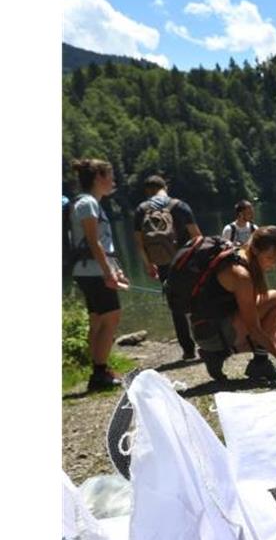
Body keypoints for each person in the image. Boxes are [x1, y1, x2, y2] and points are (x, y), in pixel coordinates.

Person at [192, 225, 276, 382]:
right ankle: (260, 364)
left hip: (210, 327)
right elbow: (254, 329)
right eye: (270, 258)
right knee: (275, 298)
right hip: (209, 332)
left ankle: (217, 355)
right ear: (256, 250)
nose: (274, 264)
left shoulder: (244, 256)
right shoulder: (241, 275)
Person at [68, 158, 129, 391]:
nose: (113, 181)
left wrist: (116, 269)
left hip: (90, 270)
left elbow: (100, 244)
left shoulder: (89, 203)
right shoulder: (88, 204)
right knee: (111, 316)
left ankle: (98, 370)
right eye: (110, 176)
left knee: (97, 319)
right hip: (93, 271)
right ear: (98, 178)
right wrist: (108, 273)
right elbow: (94, 243)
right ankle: (100, 374)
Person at [133, 175, 202, 360]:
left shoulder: (141, 209)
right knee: (198, 302)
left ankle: (188, 350)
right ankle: (207, 343)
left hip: (163, 263)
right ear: (165, 186)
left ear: (148, 191)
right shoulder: (179, 206)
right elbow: (197, 237)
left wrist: (148, 264)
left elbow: (139, 243)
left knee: (176, 306)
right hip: (186, 261)